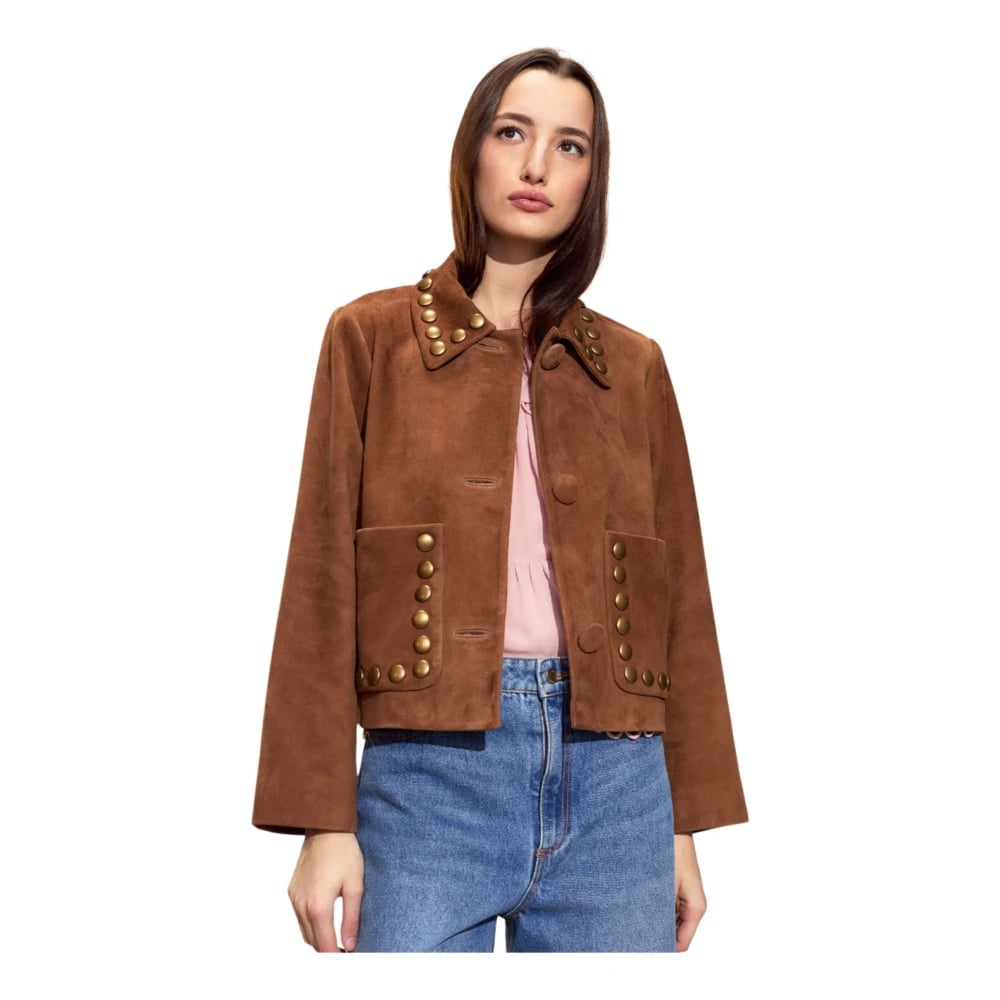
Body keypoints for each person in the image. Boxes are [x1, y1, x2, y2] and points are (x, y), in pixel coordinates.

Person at [252, 47, 748, 953]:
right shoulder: (371, 340)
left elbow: (682, 603)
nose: (537, 165)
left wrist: (683, 825)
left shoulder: (633, 368)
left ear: (593, 176)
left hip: (618, 788)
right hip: (428, 779)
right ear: (472, 149)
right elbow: (319, 585)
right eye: (513, 132)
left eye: (570, 145)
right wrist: (322, 821)